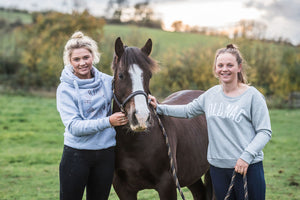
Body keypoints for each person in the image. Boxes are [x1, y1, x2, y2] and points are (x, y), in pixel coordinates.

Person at [149, 44, 272, 200]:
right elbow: (187, 111)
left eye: (230, 65)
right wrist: (159, 107)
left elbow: (264, 131)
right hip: (219, 170)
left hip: (246, 168)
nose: (224, 69)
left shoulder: (252, 96)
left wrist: (246, 157)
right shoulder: (211, 95)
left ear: (239, 67)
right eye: (220, 65)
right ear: (215, 69)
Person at [56, 31, 128, 200]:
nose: (82, 63)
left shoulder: (106, 81)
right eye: (76, 59)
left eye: (86, 57)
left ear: (93, 57)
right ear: (70, 61)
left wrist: (147, 98)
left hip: (106, 154)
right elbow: (74, 127)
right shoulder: (65, 89)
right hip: (76, 154)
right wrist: (108, 122)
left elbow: (127, 89)